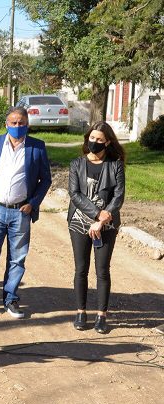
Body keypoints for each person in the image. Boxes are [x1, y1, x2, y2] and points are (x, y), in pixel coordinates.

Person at [0, 106, 51, 319]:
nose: (17, 126)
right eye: (13, 122)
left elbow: (45, 180)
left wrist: (33, 203)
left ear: (27, 125)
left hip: (20, 212)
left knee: (17, 259)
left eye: (21, 123)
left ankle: (11, 299)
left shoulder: (37, 147)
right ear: (6, 124)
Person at [68, 121, 125, 334]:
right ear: (87, 138)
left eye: (100, 140)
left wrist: (102, 220)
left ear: (108, 142)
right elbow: (75, 194)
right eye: (92, 138)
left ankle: (102, 315)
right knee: (81, 269)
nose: (95, 142)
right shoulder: (76, 164)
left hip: (107, 224)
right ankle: (80, 312)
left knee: (102, 270)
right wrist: (95, 214)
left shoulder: (115, 164)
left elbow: (118, 196)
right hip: (79, 221)